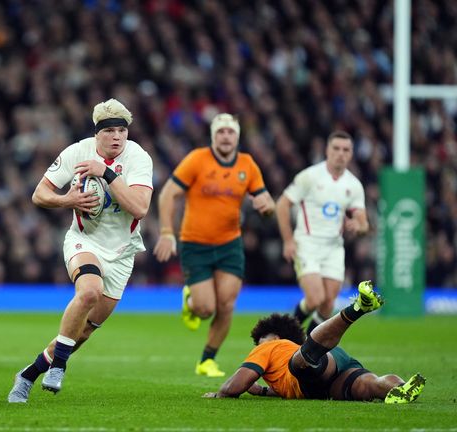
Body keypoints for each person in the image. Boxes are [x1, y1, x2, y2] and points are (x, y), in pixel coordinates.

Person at [7, 98, 153, 403]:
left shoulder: (138, 158)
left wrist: (107, 174)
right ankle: (59, 365)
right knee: (89, 292)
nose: (117, 137)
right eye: (110, 131)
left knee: (83, 331)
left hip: (123, 253)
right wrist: (67, 200)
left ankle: (28, 375)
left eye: (122, 131)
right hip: (84, 241)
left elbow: (140, 207)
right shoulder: (77, 152)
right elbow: (40, 194)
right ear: (97, 134)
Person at [153, 113, 275, 377]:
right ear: (213, 136)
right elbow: (168, 194)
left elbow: (266, 200)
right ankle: (191, 301)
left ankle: (207, 360)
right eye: (221, 132)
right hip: (195, 243)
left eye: (230, 132)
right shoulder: (197, 159)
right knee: (205, 308)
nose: (226, 136)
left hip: (229, 244)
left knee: (227, 304)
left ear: (237, 137)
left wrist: (267, 207)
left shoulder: (247, 165)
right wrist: (166, 232)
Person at [203, 281, 426, 403]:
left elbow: (236, 386)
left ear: (275, 337)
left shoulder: (270, 347)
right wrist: (261, 391)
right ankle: (401, 388)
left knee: (299, 363)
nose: (257, 346)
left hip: (316, 362)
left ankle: (357, 308)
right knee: (368, 385)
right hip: (324, 380)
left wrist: (220, 393)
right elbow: (285, 389)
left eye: (260, 340)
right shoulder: (279, 370)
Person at [275, 131, 368, 333]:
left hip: (334, 248)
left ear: (351, 153)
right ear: (327, 150)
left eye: (346, 150)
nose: (340, 154)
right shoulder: (309, 176)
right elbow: (282, 205)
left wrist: (358, 226)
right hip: (307, 243)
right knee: (315, 298)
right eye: (336, 148)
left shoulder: (353, 185)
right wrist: (288, 241)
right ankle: (286, 333)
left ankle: (308, 347)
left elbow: (363, 222)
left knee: (328, 304)